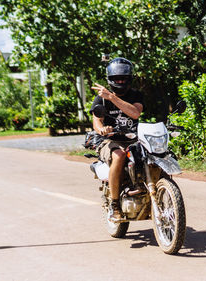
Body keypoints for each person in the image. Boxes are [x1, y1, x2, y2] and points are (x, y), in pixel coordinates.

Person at [90, 57, 144, 222]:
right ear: (110, 79)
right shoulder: (100, 99)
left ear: (130, 79)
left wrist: (112, 97)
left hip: (133, 139)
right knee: (119, 156)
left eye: (124, 78)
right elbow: (96, 123)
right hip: (109, 141)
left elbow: (135, 113)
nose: (120, 81)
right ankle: (114, 205)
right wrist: (102, 130)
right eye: (116, 79)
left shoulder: (135, 95)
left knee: (154, 154)